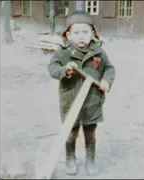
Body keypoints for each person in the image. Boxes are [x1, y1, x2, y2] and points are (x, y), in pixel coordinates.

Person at [47, 11, 116, 176]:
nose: (81, 37)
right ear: (69, 35)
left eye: (85, 32)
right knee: (71, 132)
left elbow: (109, 68)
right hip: (70, 100)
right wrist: (65, 70)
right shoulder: (63, 52)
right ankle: (70, 158)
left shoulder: (98, 52)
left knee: (90, 133)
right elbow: (52, 68)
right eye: (76, 33)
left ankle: (90, 160)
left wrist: (107, 81)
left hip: (92, 101)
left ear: (92, 33)